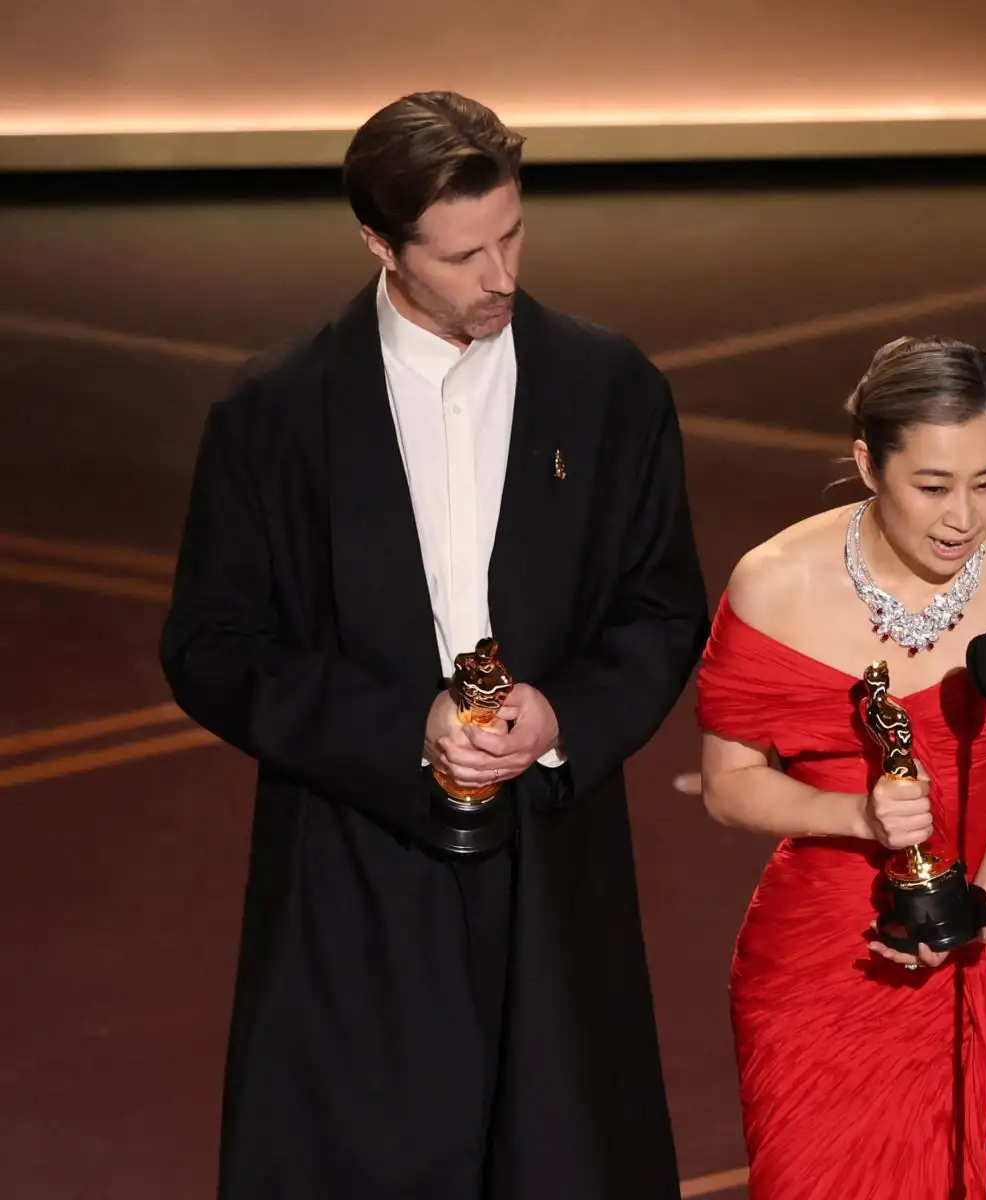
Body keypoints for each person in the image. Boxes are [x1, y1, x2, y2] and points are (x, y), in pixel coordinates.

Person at [160, 92, 709, 1198]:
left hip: (554, 857)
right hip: (353, 858)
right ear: (378, 242)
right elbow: (213, 645)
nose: (500, 276)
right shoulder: (274, 415)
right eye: (462, 255)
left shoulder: (610, 389)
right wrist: (395, 730)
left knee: (562, 1155)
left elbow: (660, 608)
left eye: (513, 234)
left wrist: (561, 718)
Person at [695, 336, 986, 1198]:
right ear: (868, 463)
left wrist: (981, 908)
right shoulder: (773, 584)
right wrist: (856, 818)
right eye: (933, 486)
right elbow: (729, 786)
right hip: (823, 953)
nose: (964, 517)